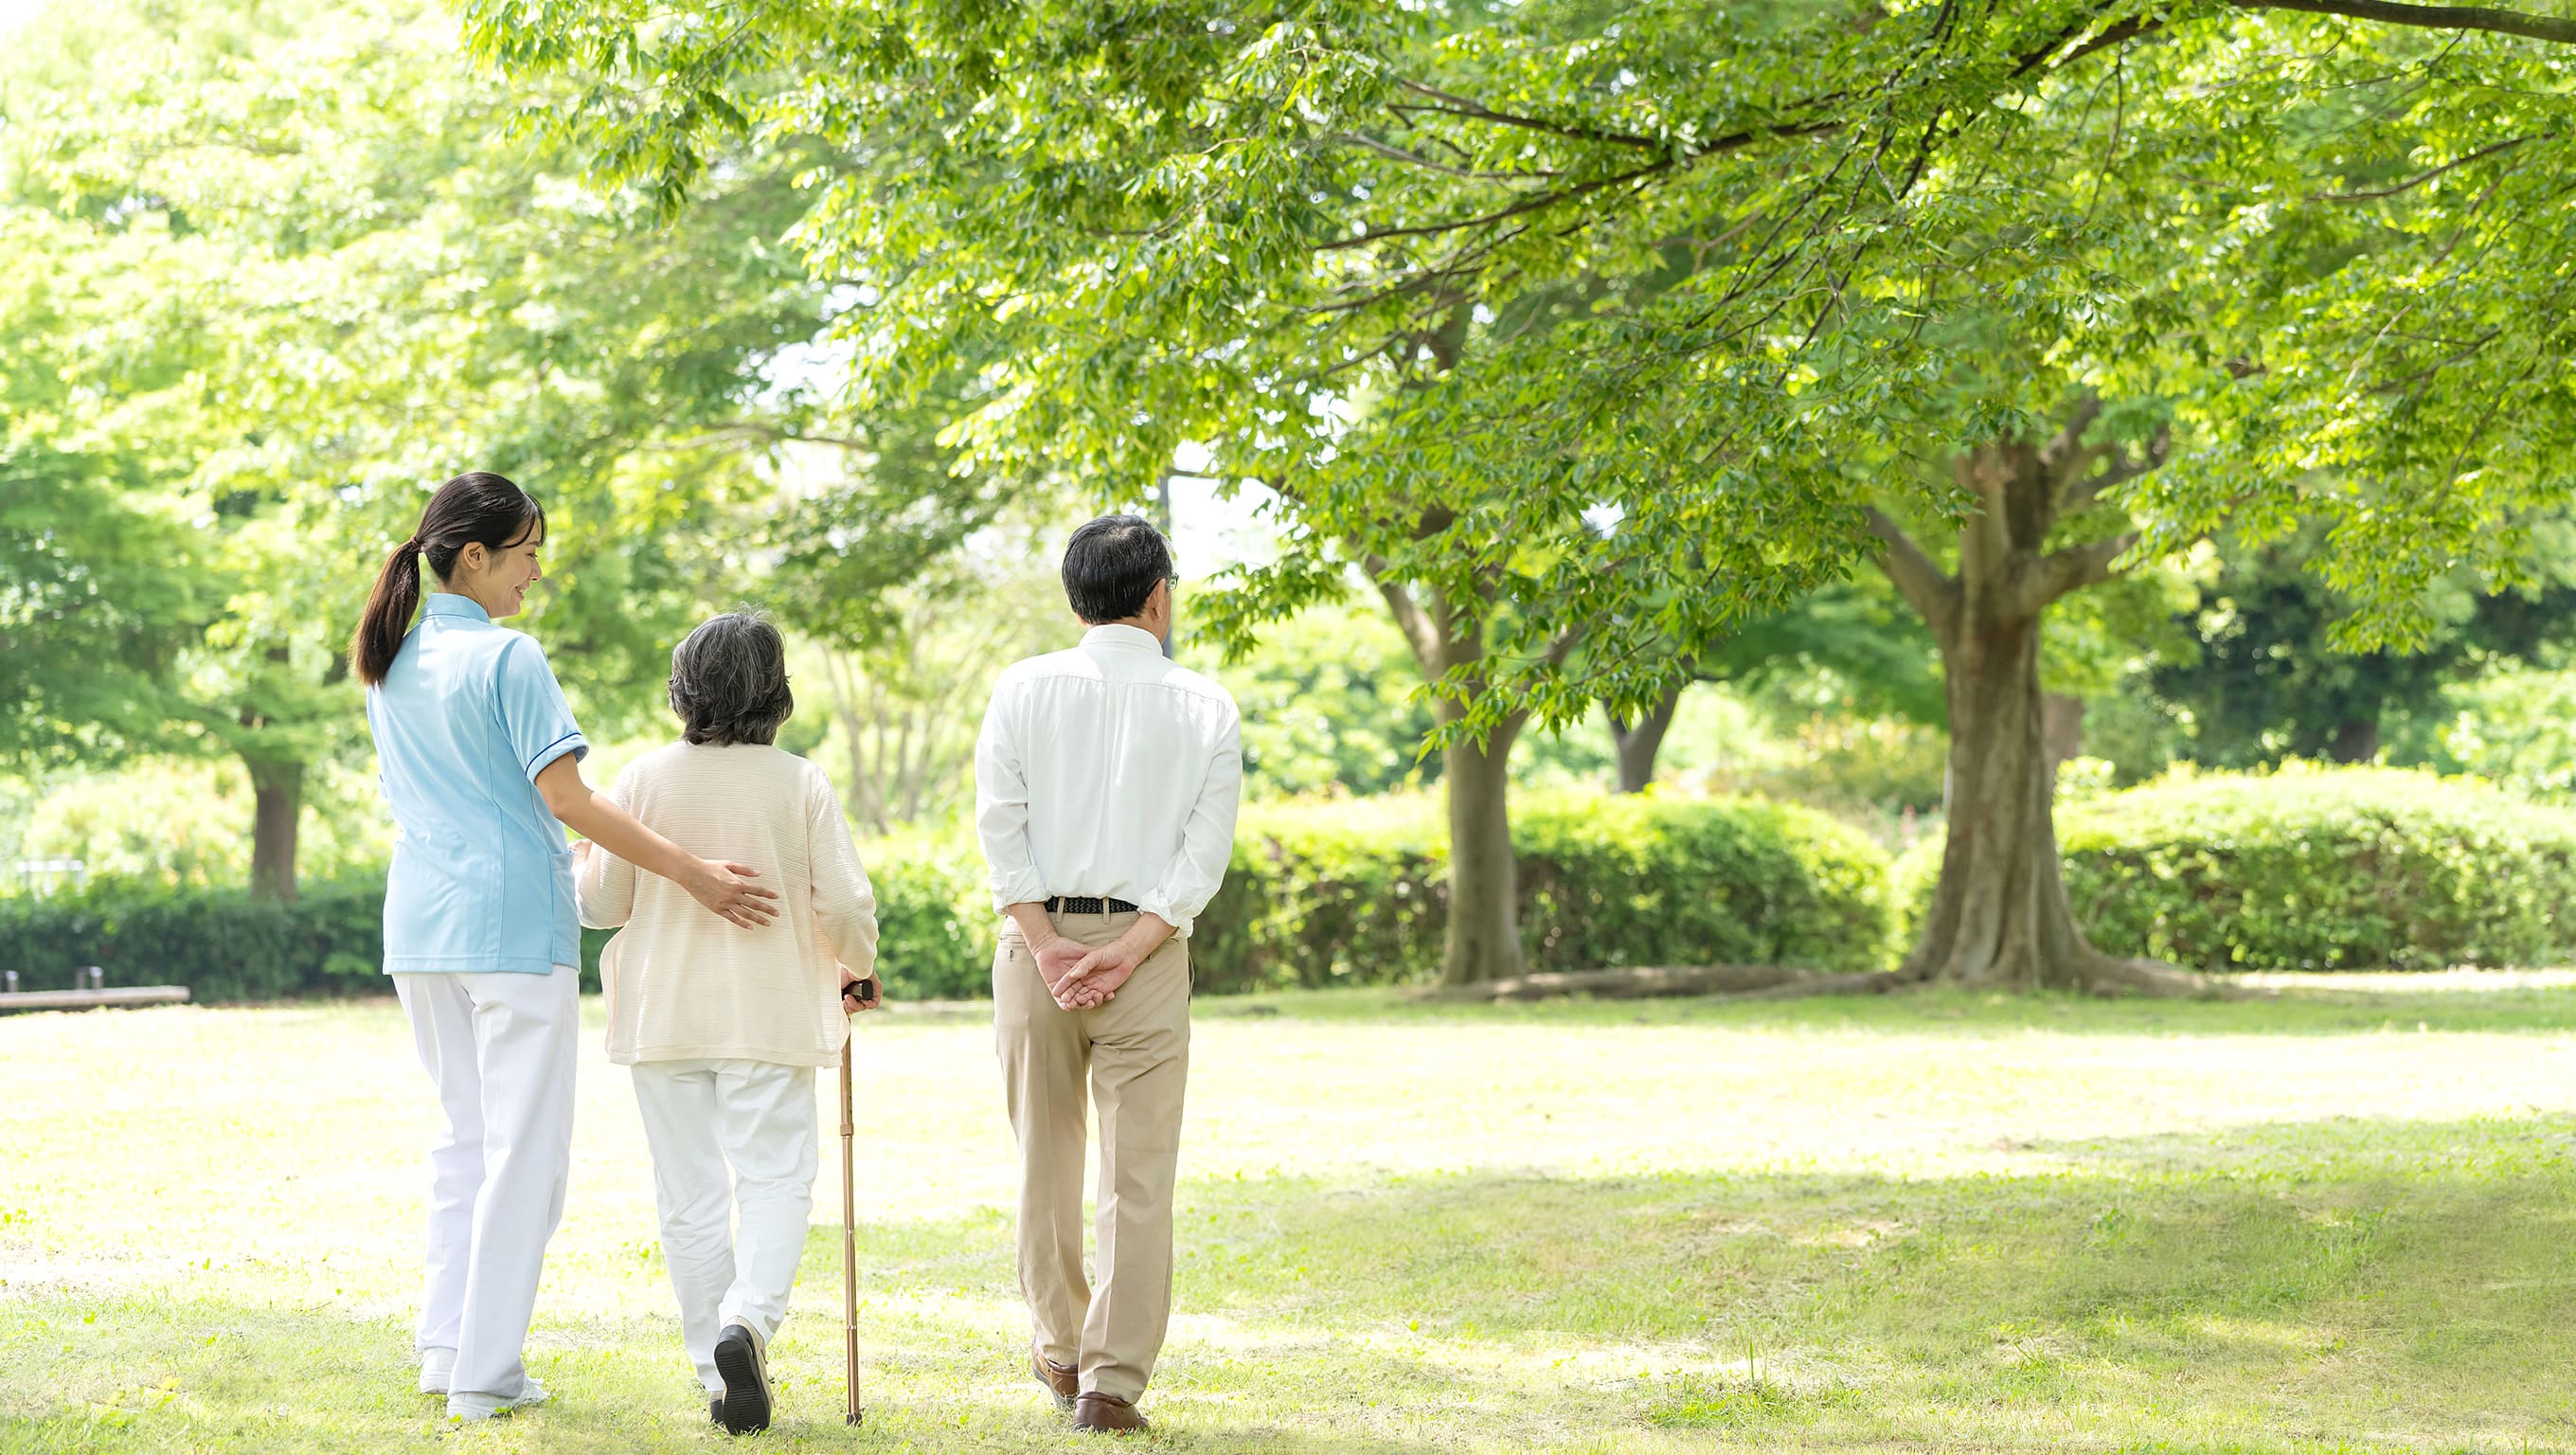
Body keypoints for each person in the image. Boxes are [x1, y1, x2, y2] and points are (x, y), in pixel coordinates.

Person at [351, 472, 780, 1423]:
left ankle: (444, 1348)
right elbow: (569, 799)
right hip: (508, 929)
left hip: (422, 927)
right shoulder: (508, 658)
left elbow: (496, 801)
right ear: (476, 556)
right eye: (528, 553)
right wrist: (695, 873)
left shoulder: (394, 660)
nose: (534, 574)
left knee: (464, 1141)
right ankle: (484, 1371)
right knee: (525, 1156)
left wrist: (568, 837)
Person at [573, 610, 883, 1436]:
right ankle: (747, 1322)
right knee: (775, 1179)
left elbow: (603, 905)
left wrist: (579, 865)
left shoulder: (640, 779)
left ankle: (719, 1372)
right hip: (769, 1010)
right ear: (775, 690)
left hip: (665, 1012)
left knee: (689, 1195)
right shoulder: (797, 782)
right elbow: (847, 902)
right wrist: (857, 962)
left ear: (683, 688)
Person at [974, 513, 1243, 1435]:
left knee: (1042, 1159)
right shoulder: (1206, 705)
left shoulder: (1019, 689)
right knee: (1138, 1174)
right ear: (1157, 598)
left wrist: (1047, 947)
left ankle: (1057, 1348)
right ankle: (1109, 1385)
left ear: (1074, 598)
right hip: (1150, 953)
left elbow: (997, 827)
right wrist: (1127, 952)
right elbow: (1200, 862)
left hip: (1033, 941)